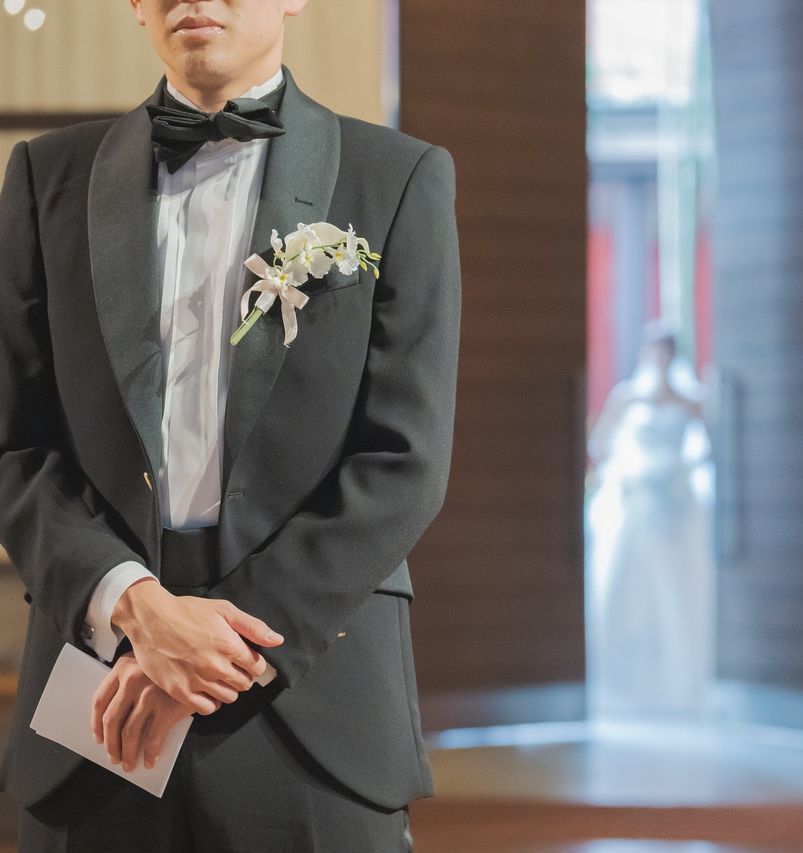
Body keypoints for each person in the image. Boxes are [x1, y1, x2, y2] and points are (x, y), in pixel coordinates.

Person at [0, 1, 461, 850]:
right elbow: (14, 443)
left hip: (312, 688)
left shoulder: (397, 176)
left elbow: (406, 457)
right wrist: (134, 606)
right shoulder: (46, 175)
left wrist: (213, 643)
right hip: (97, 686)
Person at [585, 322, 716, 720]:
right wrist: (629, 470)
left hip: (673, 506)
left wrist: (678, 470)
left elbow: (710, 448)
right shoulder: (627, 397)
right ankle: (621, 685)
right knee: (623, 591)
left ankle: (677, 684)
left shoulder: (690, 399)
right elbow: (599, 445)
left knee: (673, 594)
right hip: (636, 502)